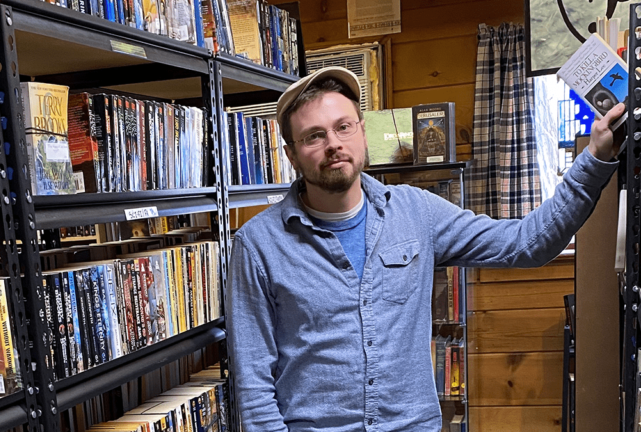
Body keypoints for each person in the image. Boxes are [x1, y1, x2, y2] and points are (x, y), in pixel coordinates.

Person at [225, 66, 624, 432]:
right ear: (292, 153)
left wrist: (595, 158)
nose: (334, 144)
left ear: (362, 132)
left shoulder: (416, 211)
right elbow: (254, 385)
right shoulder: (258, 244)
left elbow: (526, 244)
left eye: (343, 126)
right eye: (314, 135)